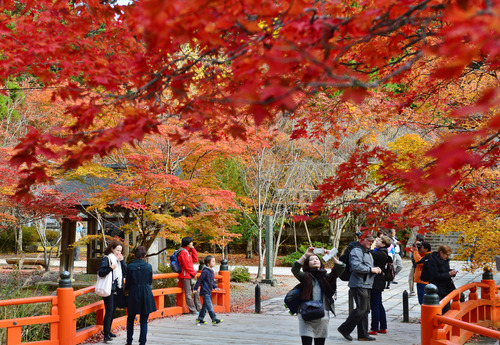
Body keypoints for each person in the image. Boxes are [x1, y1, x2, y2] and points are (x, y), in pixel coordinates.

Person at [292, 247, 345, 345]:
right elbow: (295, 269)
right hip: (306, 315)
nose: (315, 260)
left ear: (321, 263)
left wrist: (331, 256)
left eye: (317, 259)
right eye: (311, 260)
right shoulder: (304, 276)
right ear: (307, 264)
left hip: (323, 315)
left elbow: (341, 267)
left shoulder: (328, 277)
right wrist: (305, 255)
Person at [337, 233, 381, 342]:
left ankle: (363, 334)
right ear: (362, 240)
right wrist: (371, 270)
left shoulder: (367, 251)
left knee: (365, 309)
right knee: (362, 308)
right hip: (358, 283)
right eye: (369, 241)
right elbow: (356, 266)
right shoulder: (357, 250)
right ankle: (345, 329)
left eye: (372, 241)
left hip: (366, 283)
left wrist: (375, 268)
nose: (371, 243)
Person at [125, 246, 157, 345]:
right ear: (145, 255)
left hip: (134, 292)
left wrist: (126, 290)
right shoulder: (148, 266)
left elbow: (128, 282)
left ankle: (129, 341)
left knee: (130, 318)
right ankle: (142, 342)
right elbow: (150, 281)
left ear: (134, 255)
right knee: (144, 320)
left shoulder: (130, 266)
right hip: (146, 292)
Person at [97, 240, 127, 342]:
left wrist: (122, 261)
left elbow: (126, 272)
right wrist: (111, 268)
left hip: (117, 289)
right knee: (109, 310)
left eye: (120, 251)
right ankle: (106, 334)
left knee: (113, 310)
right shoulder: (107, 259)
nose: (119, 253)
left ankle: (108, 331)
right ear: (112, 249)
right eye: (117, 250)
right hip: (108, 288)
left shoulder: (118, 260)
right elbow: (101, 272)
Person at [423, 244, 457, 313]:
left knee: (446, 309)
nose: (447, 257)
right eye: (446, 255)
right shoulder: (432, 260)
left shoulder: (445, 260)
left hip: (446, 287)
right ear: (441, 253)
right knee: (438, 309)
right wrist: (449, 274)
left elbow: (445, 270)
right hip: (437, 288)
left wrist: (451, 272)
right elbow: (436, 275)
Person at [368, 235, 392, 335]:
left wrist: (372, 245)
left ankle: (374, 328)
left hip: (376, 280)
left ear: (383, 244)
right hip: (380, 280)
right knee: (379, 303)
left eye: (379, 240)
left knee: (374, 304)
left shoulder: (378, 253)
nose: (376, 241)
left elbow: (369, 253)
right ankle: (383, 326)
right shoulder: (385, 253)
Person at [193, 255, 223, 325]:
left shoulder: (211, 271)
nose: (214, 263)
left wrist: (215, 287)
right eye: (212, 261)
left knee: (205, 306)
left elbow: (211, 281)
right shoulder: (205, 271)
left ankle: (200, 318)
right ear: (208, 264)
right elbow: (199, 280)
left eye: (214, 261)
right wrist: (195, 288)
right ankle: (214, 319)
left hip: (209, 291)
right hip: (205, 291)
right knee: (209, 306)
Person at [178, 236, 201, 314]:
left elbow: (195, 259)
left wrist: (193, 249)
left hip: (190, 275)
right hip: (185, 275)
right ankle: (193, 310)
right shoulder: (183, 252)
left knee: (196, 291)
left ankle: (198, 308)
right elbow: (186, 265)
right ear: (187, 244)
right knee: (188, 293)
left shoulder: (188, 252)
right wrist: (194, 273)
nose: (192, 243)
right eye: (191, 242)